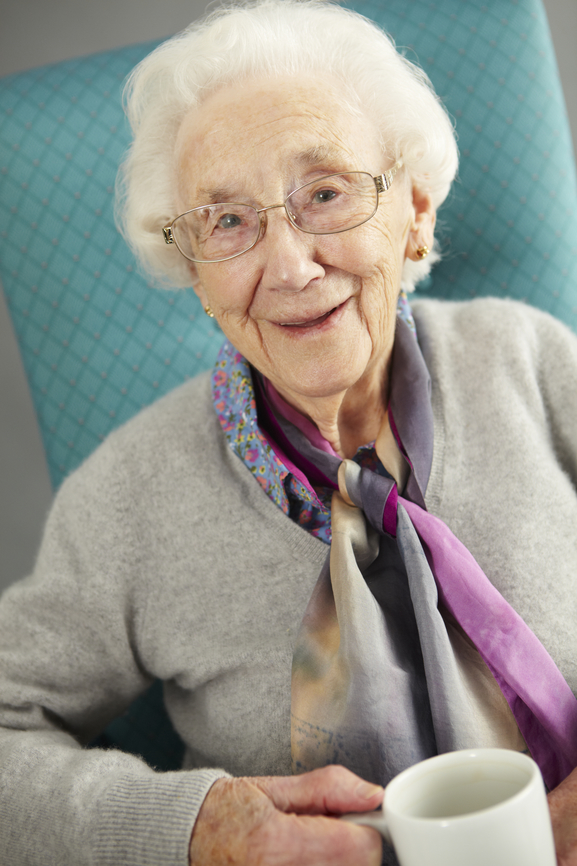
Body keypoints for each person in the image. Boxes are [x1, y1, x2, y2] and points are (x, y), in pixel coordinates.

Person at [1, 2, 577, 864]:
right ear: (194, 272)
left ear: (415, 211)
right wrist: (190, 828)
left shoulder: (528, 361)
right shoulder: (128, 495)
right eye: (227, 222)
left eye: (325, 194)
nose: (290, 266)